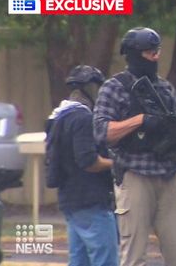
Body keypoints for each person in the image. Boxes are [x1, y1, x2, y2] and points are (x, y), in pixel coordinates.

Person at [93, 27, 176, 266]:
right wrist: (141, 120)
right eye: (149, 52)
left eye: (157, 51)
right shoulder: (114, 87)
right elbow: (102, 132)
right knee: (134, 257)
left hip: (168, 178)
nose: (155, 57)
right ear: (134, 54)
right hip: (135, 176)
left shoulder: (165, 89)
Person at [45, 65, 118, 266]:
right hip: (91, 201)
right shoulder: (82, 118)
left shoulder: (60, 116)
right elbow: (88, 161)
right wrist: (117, 163)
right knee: (106, 261)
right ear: (90, 88)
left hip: (70, 200)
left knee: (79, 261)